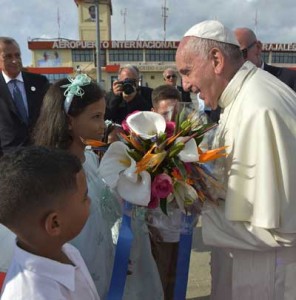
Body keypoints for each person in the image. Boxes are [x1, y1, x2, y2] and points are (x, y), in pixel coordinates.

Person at [176, 20, 296, 300]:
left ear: (216, 60)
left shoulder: (257, 108)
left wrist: (195, 203)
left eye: (187, 71)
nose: (185, 84)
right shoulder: (244, 95)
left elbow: (276, 227)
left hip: (266, 275)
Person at [33, 74, 163, 300]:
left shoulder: (90, 159)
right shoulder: (54, 178)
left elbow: (106, 211)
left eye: (103, 116)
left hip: (108, 263)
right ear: (69, 121)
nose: (102, 125)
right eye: (95, 117)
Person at [0, 146, 100, 300]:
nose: (90, 201)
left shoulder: (67, 250)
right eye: (84, 197)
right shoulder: (29, 295)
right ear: (55, 224)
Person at [147, 84, 182, 300]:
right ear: (153, 113)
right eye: (164, 115)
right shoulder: (141, 144)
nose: (170, 121)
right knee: (157, 280)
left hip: (181, 226)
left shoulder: (189, 140)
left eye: (175, 114)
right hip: (155, 228)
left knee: (177, 280)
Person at [0, 37, 49, 156]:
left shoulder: (40, 82)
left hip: (40, 156)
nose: (15, 60)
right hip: (8, 161)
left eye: (17, 55)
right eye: (8, 56)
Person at [234, 27, 296, 92]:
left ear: (258, 47)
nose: (235, 61)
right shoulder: (228, 84)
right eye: (231, 56)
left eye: (240, 53)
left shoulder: (290, 80)